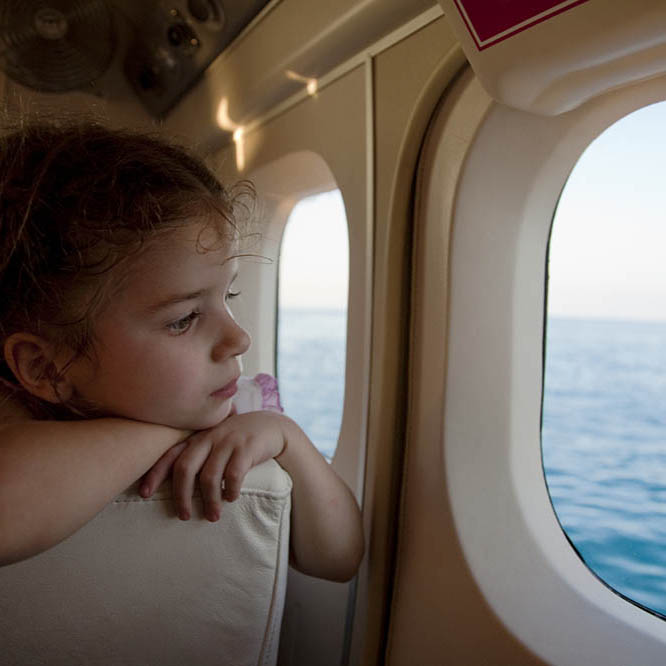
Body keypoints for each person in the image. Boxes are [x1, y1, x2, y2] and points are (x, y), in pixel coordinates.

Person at [0, 122, 364, 581]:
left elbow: (339, 559)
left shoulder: (248, 415)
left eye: (227, 298)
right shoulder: (17, 417)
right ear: (46, 367)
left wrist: (287, 438)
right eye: (183, 319)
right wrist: (167, 434)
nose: (239, 339)